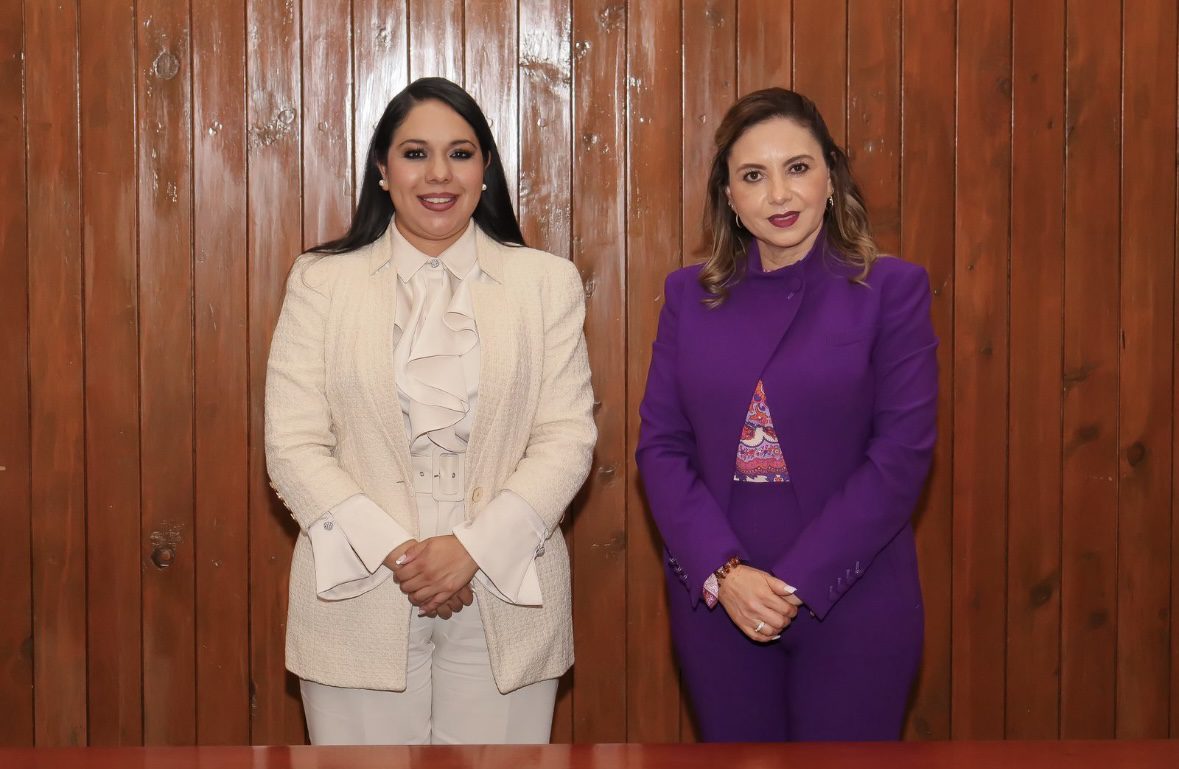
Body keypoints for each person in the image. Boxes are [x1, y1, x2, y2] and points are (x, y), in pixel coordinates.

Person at [265, 77, 596, 745]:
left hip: (508, 578)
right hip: (358, 578)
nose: (438, 173)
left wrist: (472, 549)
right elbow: (293, 444)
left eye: (460, 153)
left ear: (485, 168)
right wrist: (400, 554)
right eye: (415, 153)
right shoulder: (320, 281)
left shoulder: (545, 282)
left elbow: (566, 438)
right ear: (382, 170)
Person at [635, 87, 937, 742]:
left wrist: (795, 582)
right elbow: (660, 447)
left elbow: (900, 456)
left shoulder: (891, 289)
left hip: (855, 596)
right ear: (728, 195)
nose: (779, 194)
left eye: (797, 168)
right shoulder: (688, 296)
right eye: (753, 175)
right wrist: (725, 573)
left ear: (830, 177)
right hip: (721, 601)